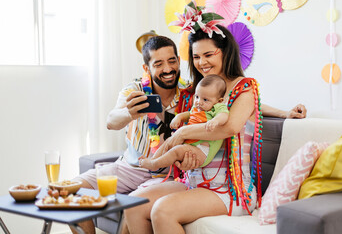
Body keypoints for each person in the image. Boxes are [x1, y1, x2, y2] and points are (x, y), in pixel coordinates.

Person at [71, 17, 306, 234]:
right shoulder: (198, 93)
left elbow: (230, 125)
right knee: (134, 205)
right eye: (196, 57)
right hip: (192, 180)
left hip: (229, 190)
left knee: (162, 210)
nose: (202, 62)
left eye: (208, 55)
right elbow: (251, 107)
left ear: (224, 52)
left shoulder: (245, 87)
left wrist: (181, 132)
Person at [139, 74, 229, 171]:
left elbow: (224, 115)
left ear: (219, 101)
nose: (199, 102)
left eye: (205, 99)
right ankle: (152, 159)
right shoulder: (199, 107)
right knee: (169, 141)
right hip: (190, 145)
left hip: (202, 150)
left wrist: (216, 121)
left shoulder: (218, 107)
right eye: (197, 97)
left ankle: (155, 165)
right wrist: (179, 117)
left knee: (177, 150)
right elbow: (190, 114)